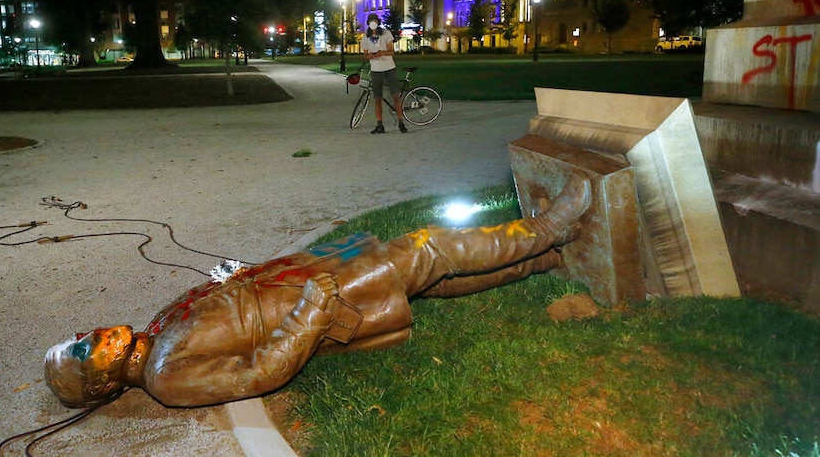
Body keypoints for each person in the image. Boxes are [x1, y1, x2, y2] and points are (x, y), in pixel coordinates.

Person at [45, 174, 591, 409]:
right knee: (428, 252)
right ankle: (552, 230)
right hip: (322, 301)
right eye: (81, 349)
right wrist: (313, 308)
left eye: (76, 336)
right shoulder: (167, 377)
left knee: (427, 280)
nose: (87, 335)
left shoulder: (156, 329)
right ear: (99, 384)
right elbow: (260, 372)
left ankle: (541, 261)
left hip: (306, 280)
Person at [361, 13, 405, 134]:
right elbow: (365, 54)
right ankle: (380, 124)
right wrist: (370, 55)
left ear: (378, 22)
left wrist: (383, 53)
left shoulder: (386, 33)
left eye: (375, 20)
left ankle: (401, 122)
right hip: (376, 70)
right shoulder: (365, 37)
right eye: (371, 21)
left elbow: (391, 51)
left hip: (389, 68)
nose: (373, 23)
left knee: (395, 96)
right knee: (377, 98)